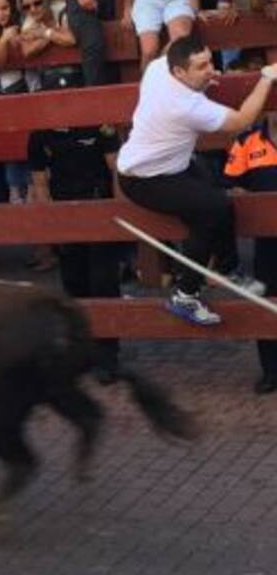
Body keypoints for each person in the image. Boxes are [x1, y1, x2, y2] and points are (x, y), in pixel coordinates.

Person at [116, 35, 271, 326]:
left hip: (173, 165)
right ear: (179, 72)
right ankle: (186, 294)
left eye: (210, 61)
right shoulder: (185, 106)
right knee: (213, 210)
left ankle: (228, 268)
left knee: (216, 200)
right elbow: (241, 122)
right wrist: (265, 78)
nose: (211, 70)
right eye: (201, 67)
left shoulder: (158, 69)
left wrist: (200, 79)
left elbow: (170, 49)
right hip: (144, 178)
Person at [27, 79, 122, 382]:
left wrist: (118, 212)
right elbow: (40, 182)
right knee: (74, 282)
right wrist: (52, 225)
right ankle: (82, 353)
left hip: (98, 208)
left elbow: (116, 170)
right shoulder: (40, 132)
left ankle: (108, 355)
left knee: (103, 281)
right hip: (65, 211)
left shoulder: (97, 124)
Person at [223, 119, 277, 393]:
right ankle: (271, 371)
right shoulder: (247, 141)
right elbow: (230, 184)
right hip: (267, 242)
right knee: (265, 301)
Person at [0, 0, 37, 203]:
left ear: (12, 8)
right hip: (4, 93)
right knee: (10, 143)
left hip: (25, 88)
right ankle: (15, 190)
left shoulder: (24, 23)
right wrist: (5, 38)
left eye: (4, 8)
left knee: (31, 140)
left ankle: (33, 187)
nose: (1, 14)